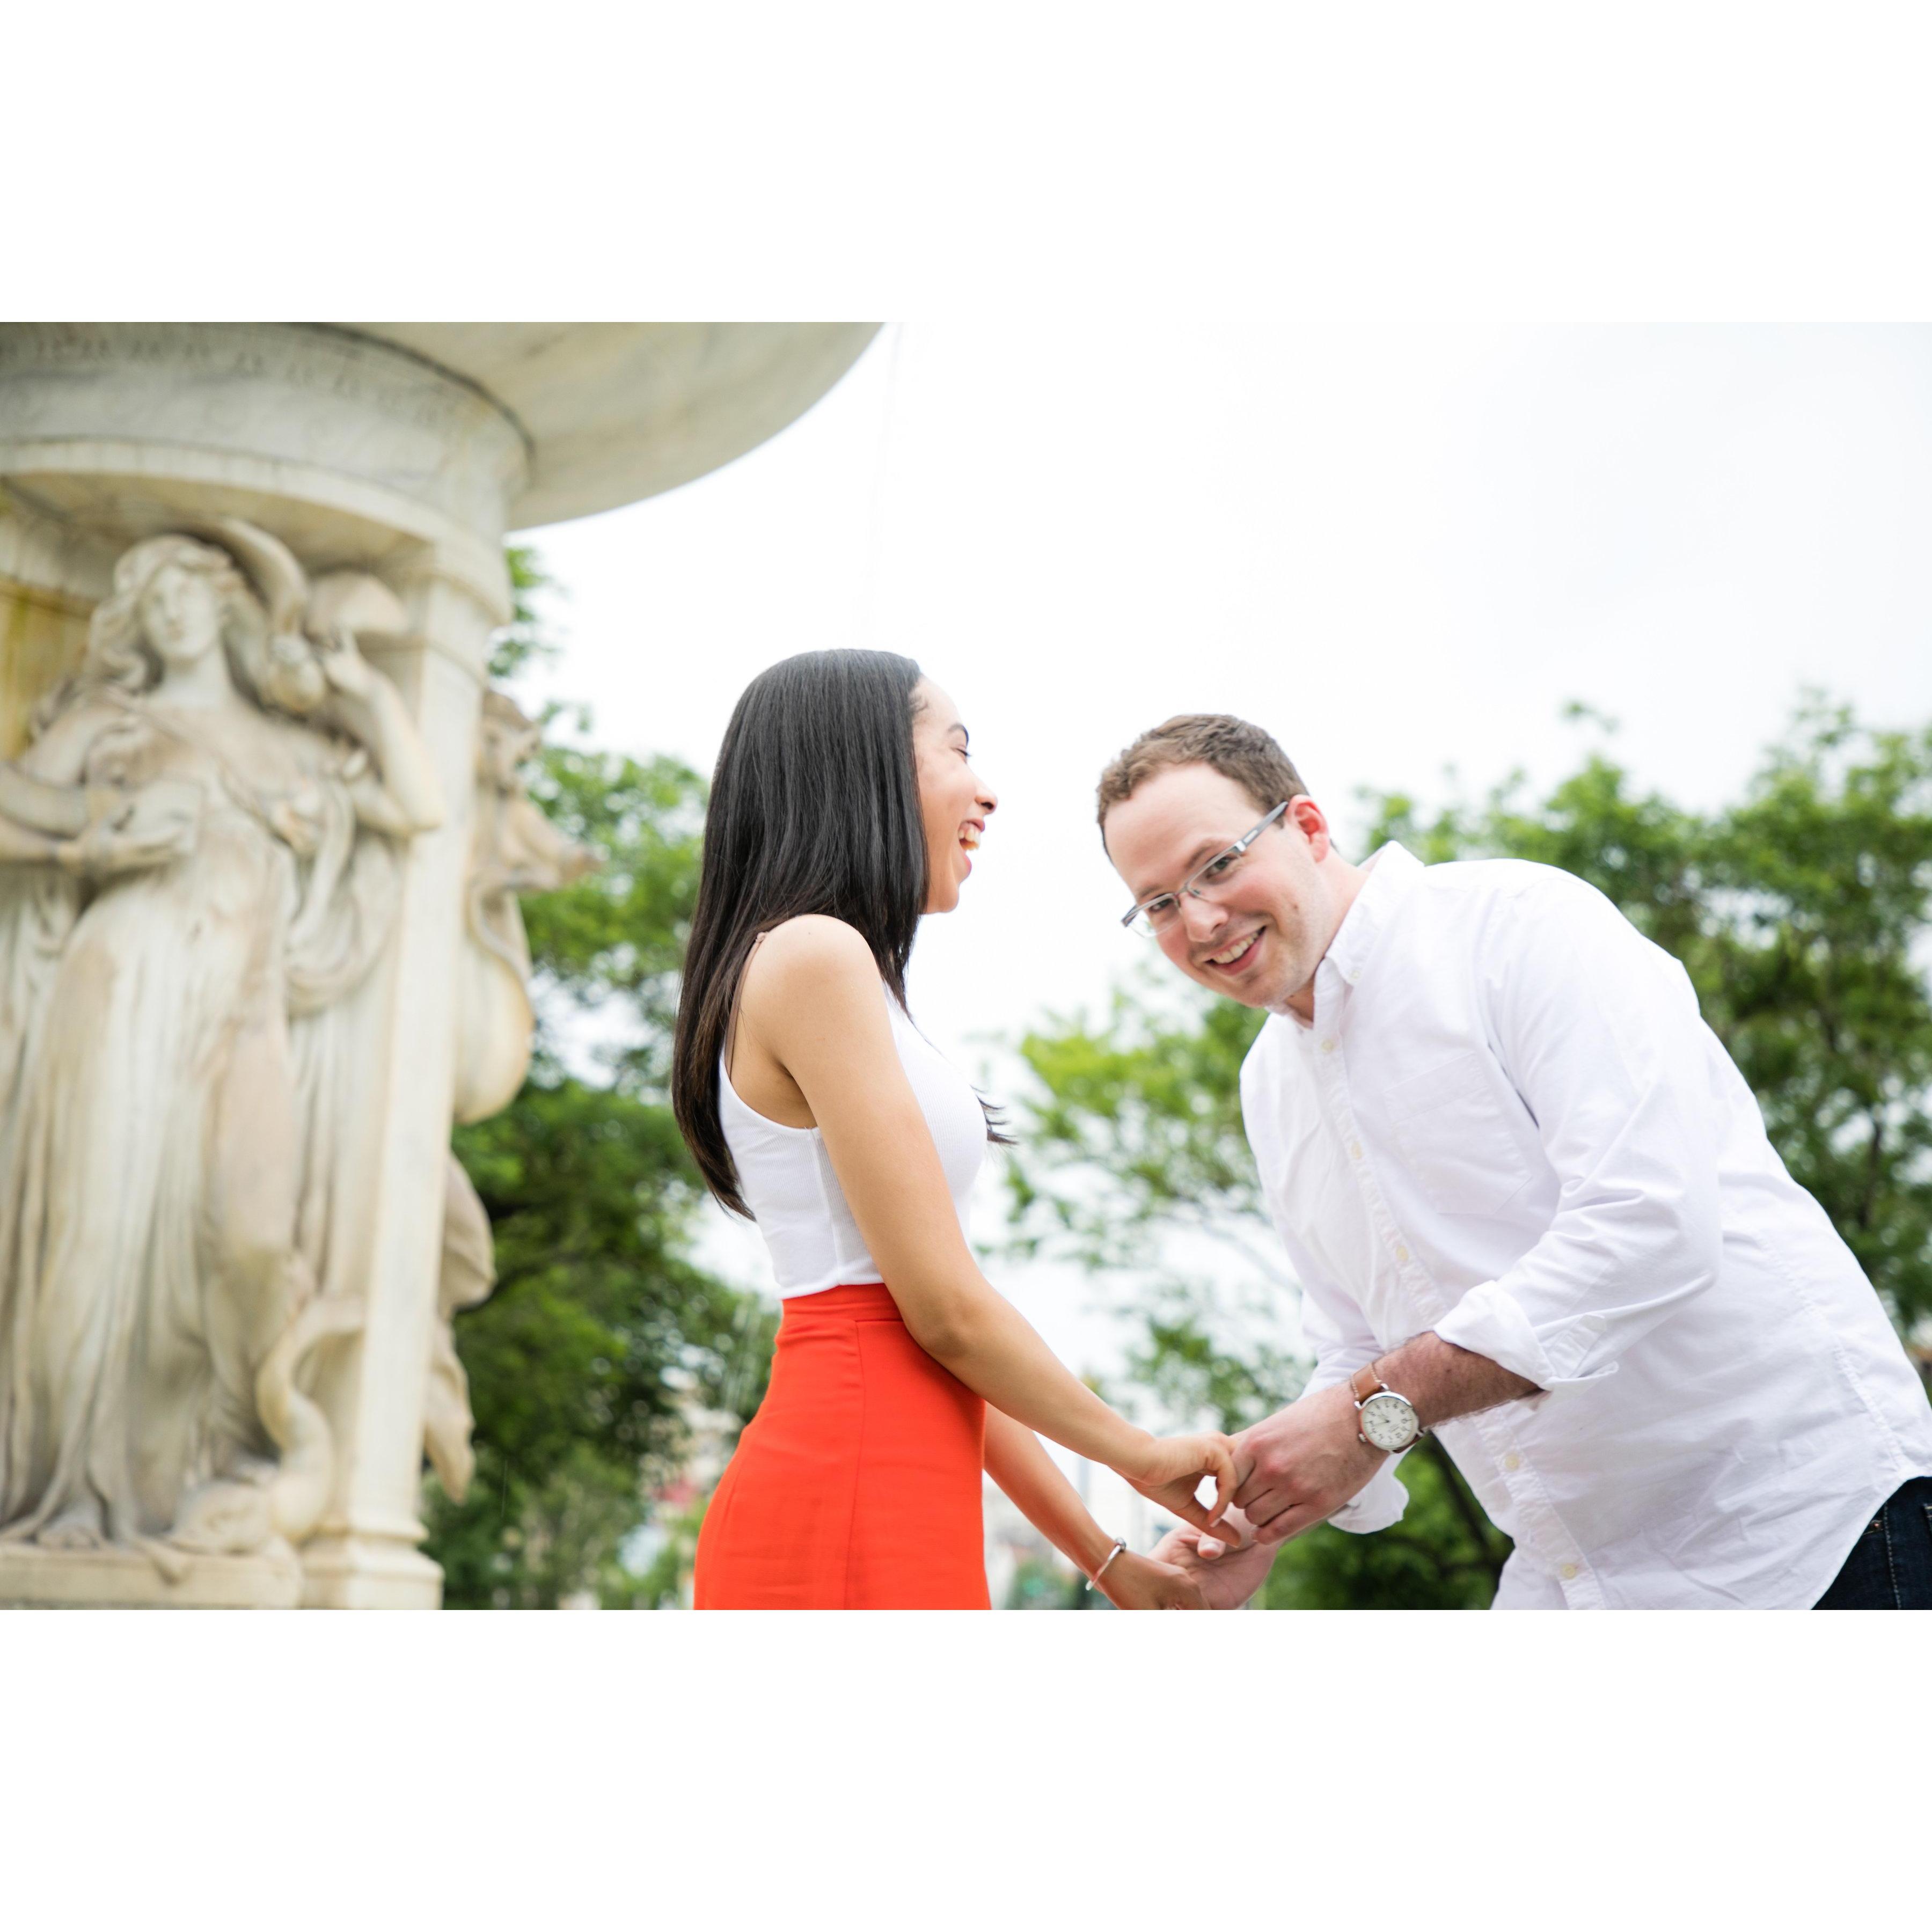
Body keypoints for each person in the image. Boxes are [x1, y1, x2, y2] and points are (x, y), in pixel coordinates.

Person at [1095, 713, 1932, 1610]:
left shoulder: (1519, 925)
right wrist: (1253, 1511)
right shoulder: (1269, 1084)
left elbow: (1650, 1225)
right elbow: (1355, 1345)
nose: (1202, 919)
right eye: (1160, 904)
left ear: (1306, 826)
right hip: (1576, 1578)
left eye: (1217, 864)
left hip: (1808, 1531)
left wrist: (1373, 1413)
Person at [672, 652, 1236, 1609]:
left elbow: (947, 1345)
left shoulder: (834, 971)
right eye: (958, 749)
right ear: (863, 768)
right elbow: (946, 1317)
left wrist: (1110, 1562)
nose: (987, 791)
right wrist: (1141, 1456)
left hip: (888, 1473)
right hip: (853, 1482)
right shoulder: (816, 955)